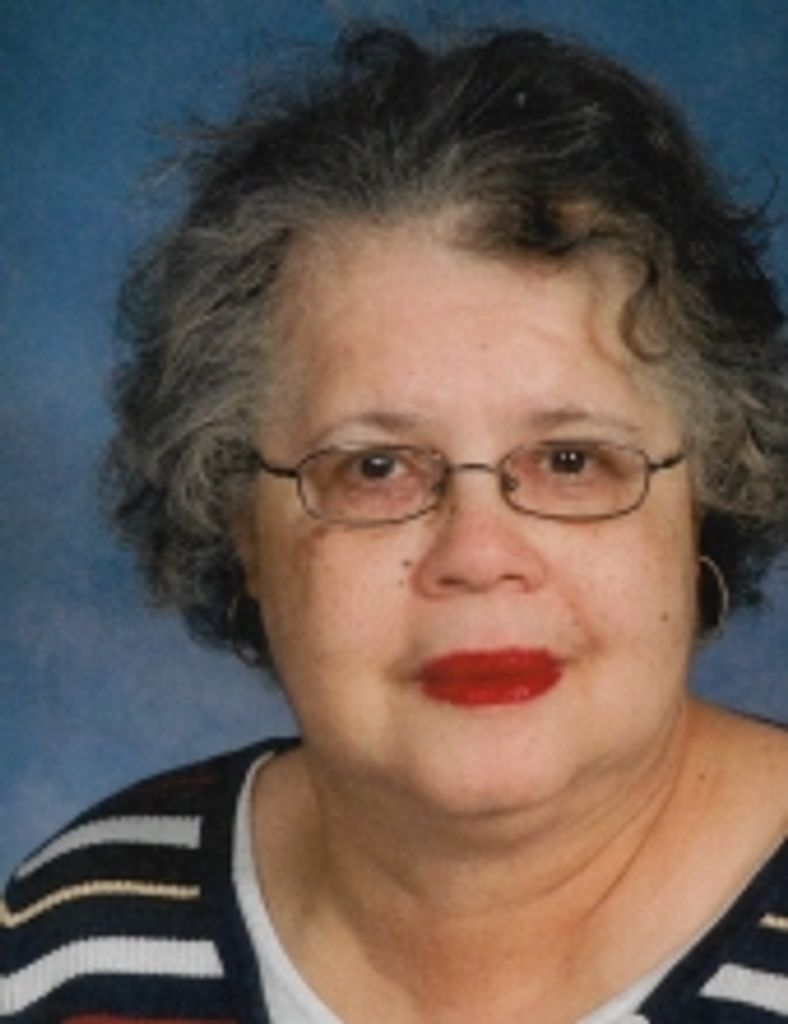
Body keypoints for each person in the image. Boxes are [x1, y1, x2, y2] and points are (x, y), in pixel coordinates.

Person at [2, 21, 787, 1024]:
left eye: (569, 460)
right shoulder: (74, 941)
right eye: (373, 468)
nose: (477, 554)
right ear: (237, 522)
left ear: (709, 493)